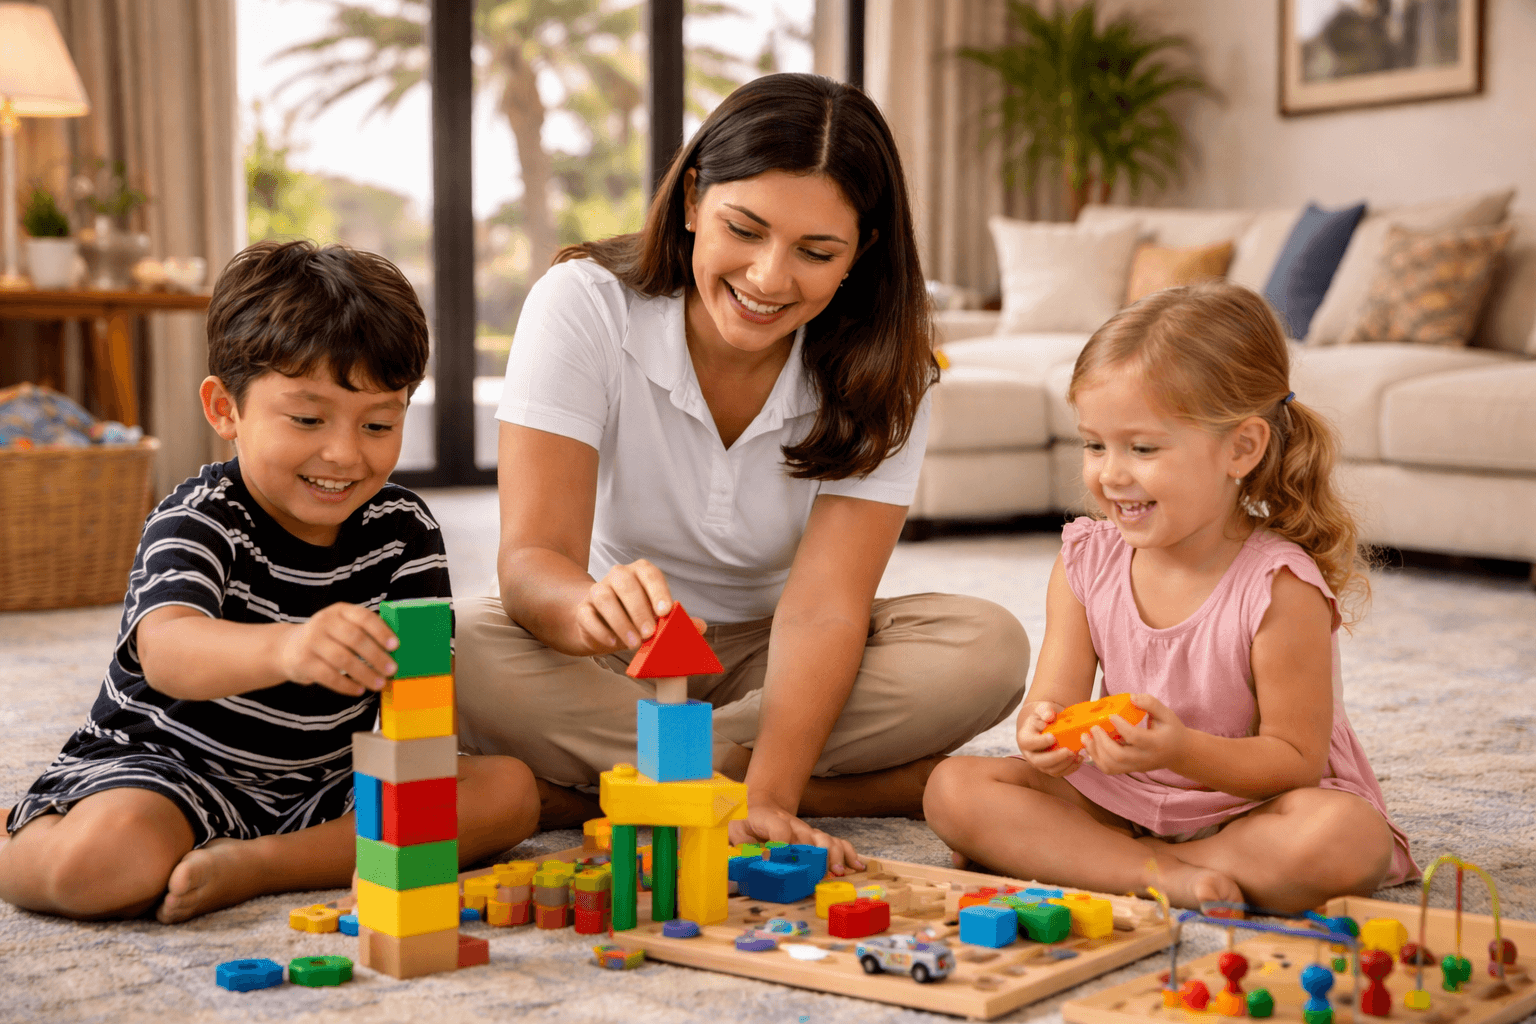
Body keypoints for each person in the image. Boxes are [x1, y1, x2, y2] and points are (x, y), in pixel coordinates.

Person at [455, 73, 1029, 870]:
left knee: (988, 647)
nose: (768, 278)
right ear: (693, 201)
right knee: (458, 645)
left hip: (781, 653)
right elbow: (531, 562)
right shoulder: (584, 303)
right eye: (745, 230)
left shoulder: (890, 369)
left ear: (860, 253)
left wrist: (773, 796)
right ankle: (808, 782)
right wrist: (586, 610)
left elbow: (825, 609)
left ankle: (625, 786)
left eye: (815, 252)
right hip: (615, 654)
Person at [0, 241, 538, 924]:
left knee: (508, 794)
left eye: (379, 423)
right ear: (225, 409)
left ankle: (256, 866)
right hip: (172, 769)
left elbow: (423, 697)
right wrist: (288, 648)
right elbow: (168, 651)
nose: (344, 453)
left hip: (323, 783)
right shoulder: (199, 517)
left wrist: (408, 839)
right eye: (307, 419)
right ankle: (18, 835)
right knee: (101, 866)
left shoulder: (405, 531)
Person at [923, 282, 1418, 913]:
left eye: (1142, 448)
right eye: (1095, 444)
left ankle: (1099, 862)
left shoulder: (1280, 586)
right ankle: (1163, 873)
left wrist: (1181, 749)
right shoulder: (1085, 560)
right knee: (953, 789)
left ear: (1241, 448)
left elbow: (1294, 761)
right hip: (1120, 796)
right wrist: (1042, 735)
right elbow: (1053, 703)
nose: (1110, 473)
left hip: (1249, 807)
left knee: (1345, 840)